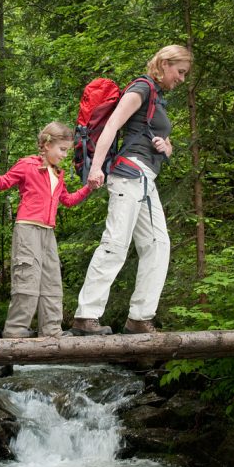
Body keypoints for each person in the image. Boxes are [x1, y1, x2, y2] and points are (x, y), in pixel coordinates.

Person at [66, 45, 193, 336]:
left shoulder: (158, 98)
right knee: (115, 243)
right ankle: (86, 316)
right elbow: (112, 126)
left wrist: (167, 146)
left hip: (145, 178)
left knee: (159, 246)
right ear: (165, 64)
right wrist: (96, 168)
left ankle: (140, 318)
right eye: (181, 72)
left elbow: (154, 137)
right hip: (127, 175)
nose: (182, 79)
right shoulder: (141, 87)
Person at [0, 122, 92, 338]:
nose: (64, 155)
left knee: (51, 280)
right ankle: (16, 330)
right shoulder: (27, 165)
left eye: (67, 151)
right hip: (27, 229)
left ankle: (51, 330)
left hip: (48, 233)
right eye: (62, 149)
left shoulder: (58, 174)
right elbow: (2, 183)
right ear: (47, 145)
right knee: (27, 278)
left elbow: (66, 200)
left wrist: (89, 188)